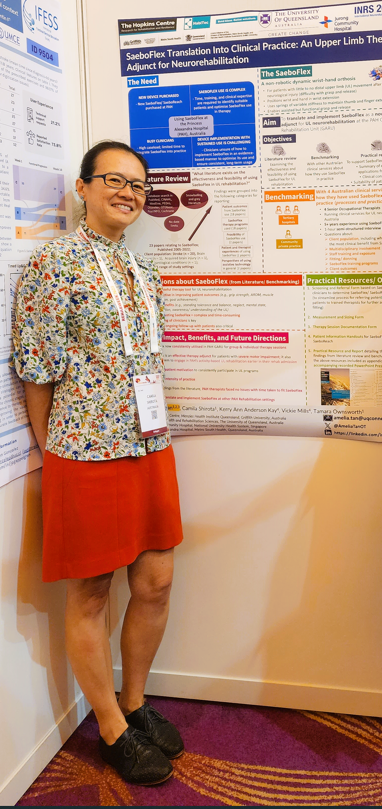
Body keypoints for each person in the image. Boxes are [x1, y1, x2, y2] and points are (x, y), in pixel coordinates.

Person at [12, 141, 184, 786]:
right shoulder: (52, 266)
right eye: (115, 179)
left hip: (149, 444)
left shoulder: (142, 273)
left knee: (157, 581)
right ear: (82, 188)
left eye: (139, 185)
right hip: (84, 450)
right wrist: (51, 452)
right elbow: (36, 370)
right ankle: (110, 727)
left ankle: (135, 702)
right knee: (90, 592)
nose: (129, 192)